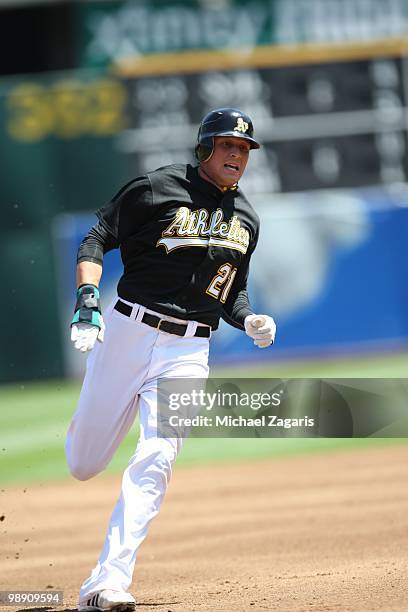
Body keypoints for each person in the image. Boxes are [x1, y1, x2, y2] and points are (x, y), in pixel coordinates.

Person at [66, 107, 276, 612]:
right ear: (204, 148)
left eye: (244, 149)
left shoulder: (245, 219)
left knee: (157, 457)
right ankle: (87, 436)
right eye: (227, 145)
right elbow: (97, 236)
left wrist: (246, 318)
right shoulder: (157, 188)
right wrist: (88, 300)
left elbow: (229, 290)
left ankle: (106, 583)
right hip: (126, 330)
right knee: (83, 463)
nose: (236, 156)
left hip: (188, 350)